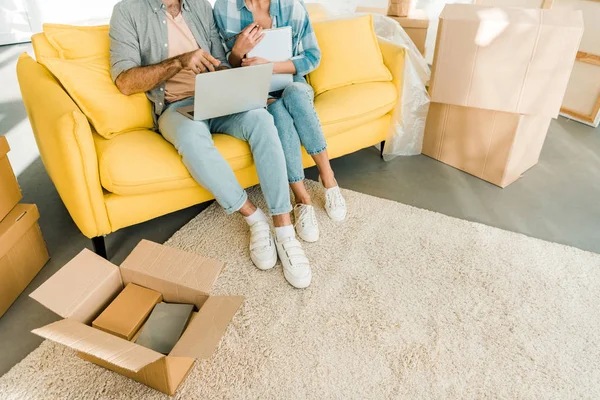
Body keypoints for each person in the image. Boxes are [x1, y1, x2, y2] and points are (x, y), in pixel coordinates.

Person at [109, 0, 312, 288]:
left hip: (219, 96)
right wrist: (179, 61)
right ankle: (255, 219)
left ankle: (284, 229)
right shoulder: (127, 11)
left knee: (262, 121)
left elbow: (224, 62)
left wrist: (242, 82)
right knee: (192, 140)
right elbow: (125, 82)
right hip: (175, 106)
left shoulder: (200, 6)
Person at [213, 0, 347, 244]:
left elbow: (312, 57)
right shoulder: (224, 9)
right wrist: (237, 51)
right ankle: (302, 198)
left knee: (294, 94)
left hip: (293, 84)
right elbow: (223, 67)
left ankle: (328, 180)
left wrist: (271, 67)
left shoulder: (292, 6)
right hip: (257, 94)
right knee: (277, 112)